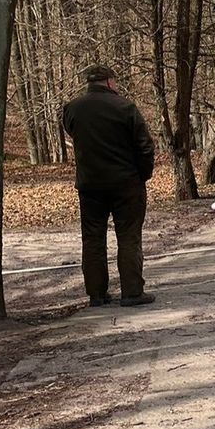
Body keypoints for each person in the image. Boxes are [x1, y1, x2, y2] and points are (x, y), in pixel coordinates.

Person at [61, 65, 156, 308]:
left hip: (90, 185)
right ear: (110, 82)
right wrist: (142, 175)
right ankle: (132, 292)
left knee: (92, 239)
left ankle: (97, 294)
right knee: (128, 237)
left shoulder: (72, 109)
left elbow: (73, 133)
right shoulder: (125, 108)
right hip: (126, 184)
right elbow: (145, 146)